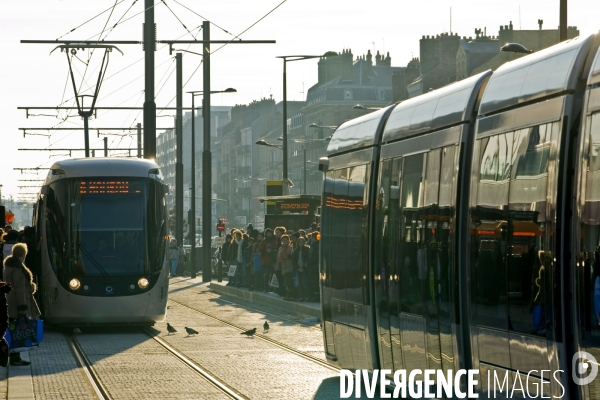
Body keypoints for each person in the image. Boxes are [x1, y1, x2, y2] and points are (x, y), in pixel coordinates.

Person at [3, 243, 39, 366]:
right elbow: (19, 288)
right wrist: (22, 307)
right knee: (17, 331)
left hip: (10, 302)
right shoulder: (18, 268)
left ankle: (13, 356)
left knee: (12, 330)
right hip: (16, 304)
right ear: (23, 254)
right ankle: (15, 357)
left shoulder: (8, 266)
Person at [276, 235, 294, 300]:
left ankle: (290, 295)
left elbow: (292, 257)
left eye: (286, 240)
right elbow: (278, 259)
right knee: (286, 282)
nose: (284, 241)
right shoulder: (280, 249)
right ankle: (288, 295)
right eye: (283, 240)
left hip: (290, 267)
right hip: (283, 267)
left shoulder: (291, 248)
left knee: (289, 282)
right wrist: (277, 268)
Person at [292, 237, 310, 301]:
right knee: (299, 283)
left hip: (305, 269)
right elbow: (294, 261)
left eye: (302, 242)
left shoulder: (307, 249)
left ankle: (307, 296)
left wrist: (304, 267)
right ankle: (301, 296)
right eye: (299, 242)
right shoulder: (295, 251)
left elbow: (308, 259)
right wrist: (297, 268)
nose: (301, 243)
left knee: (304, 283)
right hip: (298, 269)